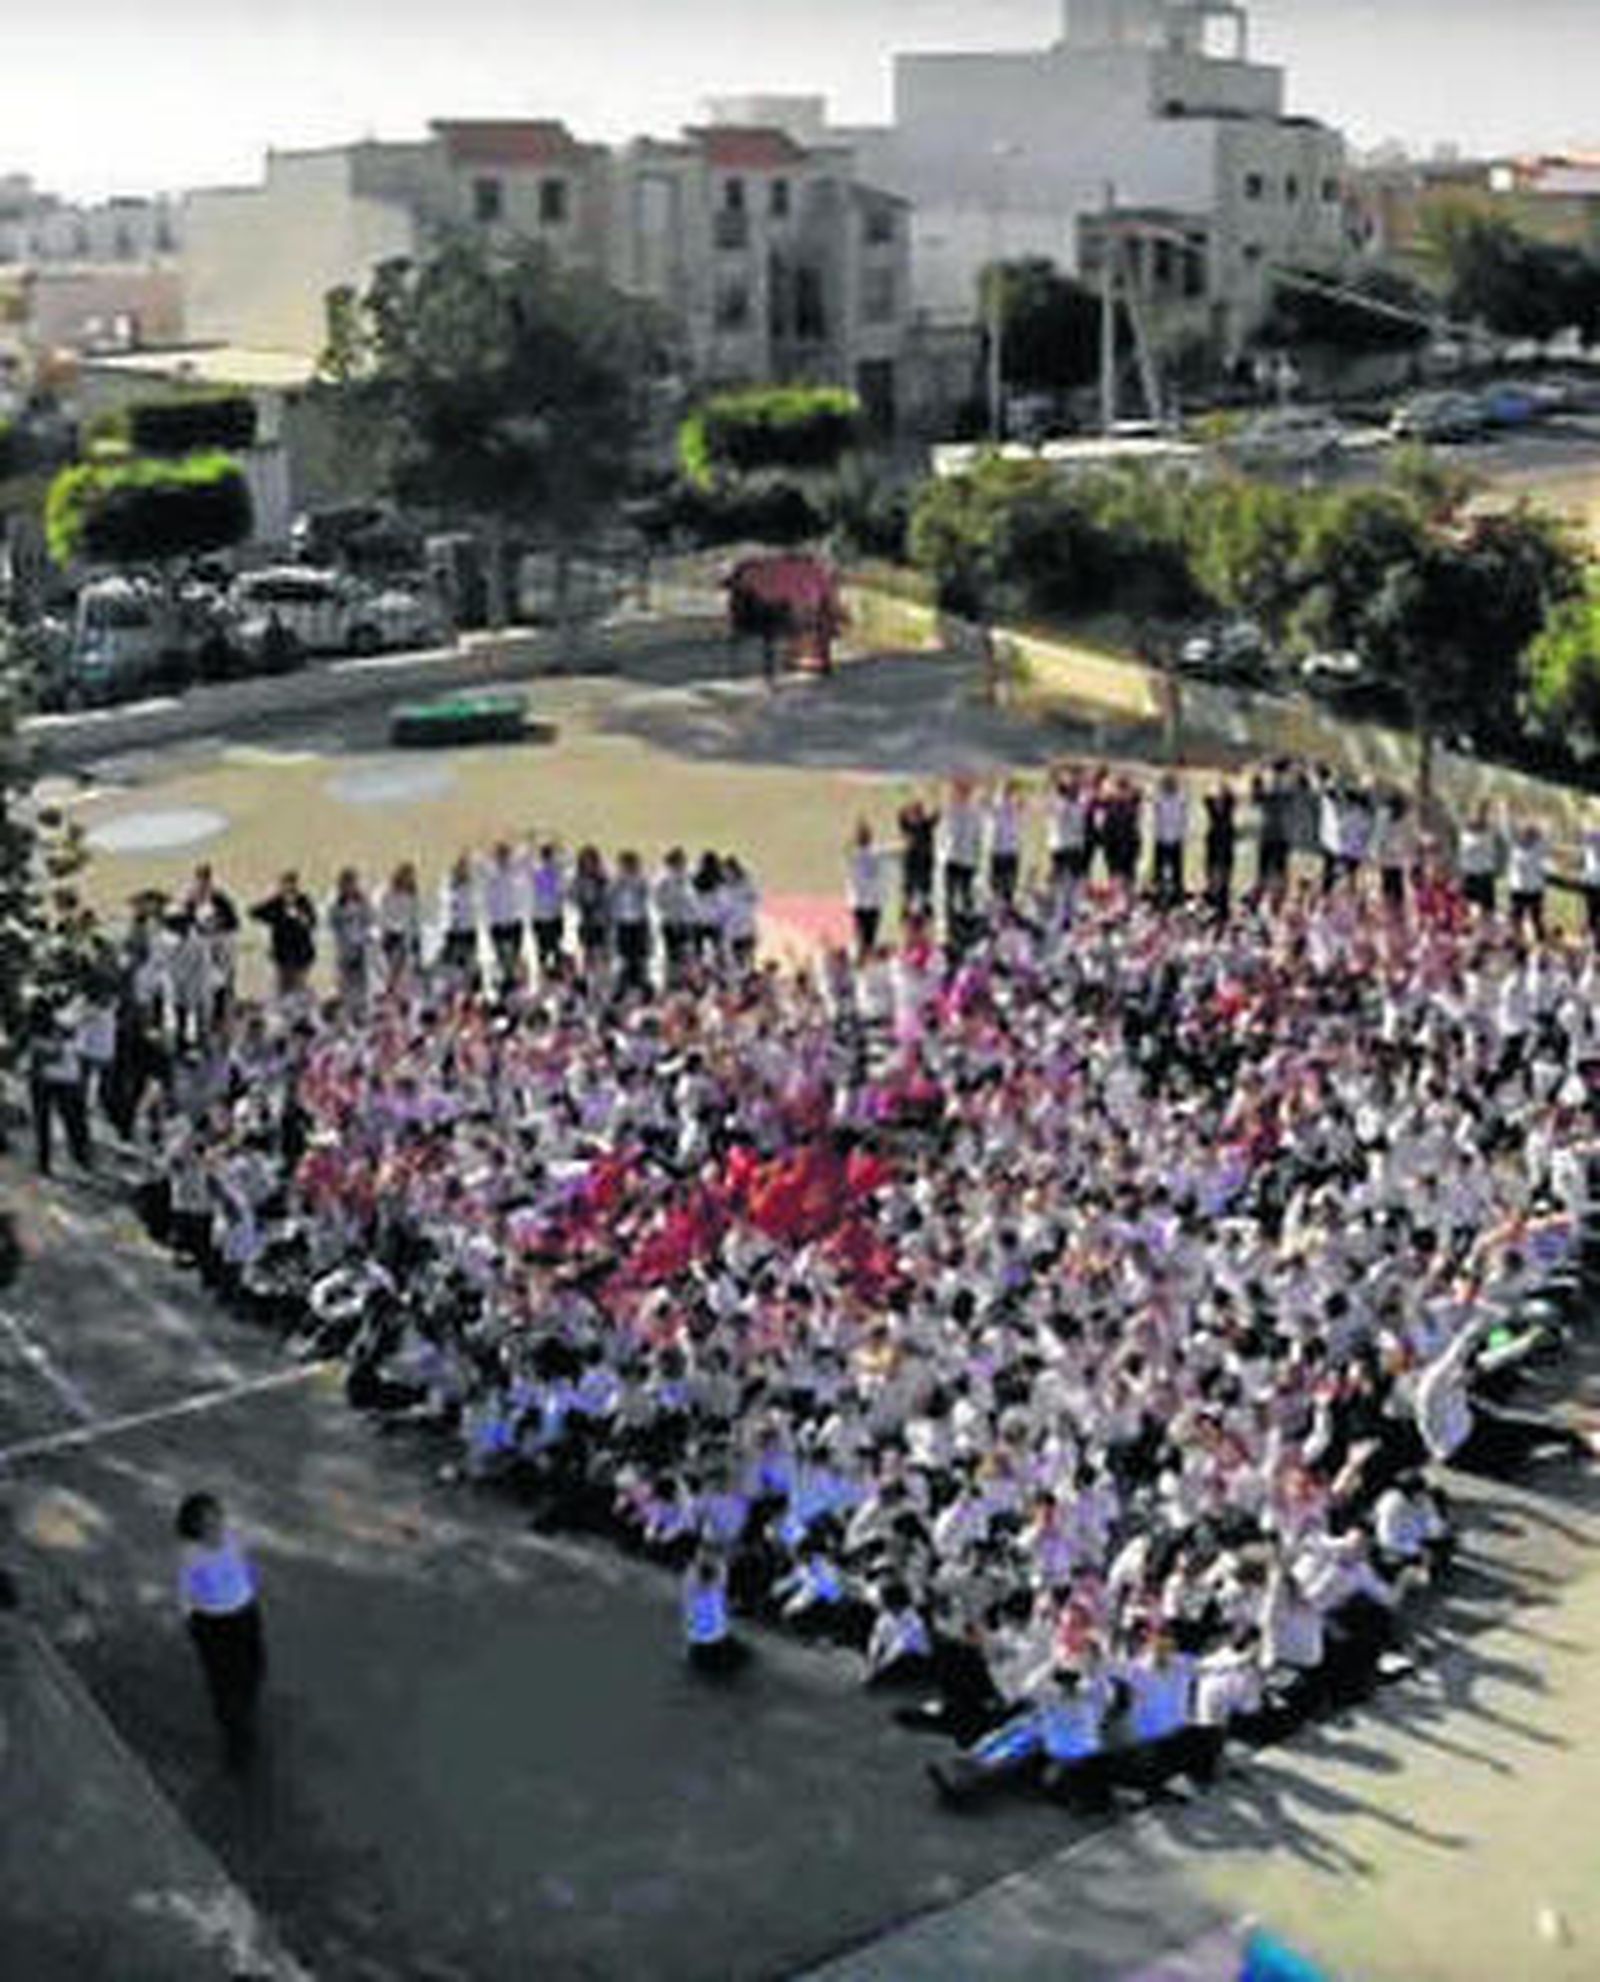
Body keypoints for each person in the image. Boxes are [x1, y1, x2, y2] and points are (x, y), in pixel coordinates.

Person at [175, 1491, 266, 1767]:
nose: (217, 1525)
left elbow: (243, 1564)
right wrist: (193, 1621)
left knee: (255, 1667)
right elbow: (186, 1592)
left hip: (245, 1614)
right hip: (215, 1623)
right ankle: (236, 1743)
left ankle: (245, 1711)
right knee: (224, 1682)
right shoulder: (192, 1556)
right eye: (209, 1522)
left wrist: (251, 1587)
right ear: (196, 1529)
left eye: (218, 1517)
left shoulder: (231, 1538)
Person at [250, 872, 318, 1000]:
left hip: (301, 954)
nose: (288, 891)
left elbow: (312, 922)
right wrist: (273, 915)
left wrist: (301, 917)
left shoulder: (303, 902)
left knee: (299, 989)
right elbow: (254, 912)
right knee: (282, 990)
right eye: (285, 886)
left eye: (291, 887)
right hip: (282, 954)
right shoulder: (276, 903)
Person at [682, 1548, 747, 1675]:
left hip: (697, 1642)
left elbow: (692, 1574)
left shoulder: (691, 1591)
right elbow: (723, 1573)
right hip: (715, 1642)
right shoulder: (716, 1591)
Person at [847, 822, 887, 958]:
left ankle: (863, 957)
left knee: (863, 936)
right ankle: (863, 956)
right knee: (867, 937)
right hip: (868, 902)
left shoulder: (854, 854)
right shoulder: (873, 852)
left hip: (863, 902)